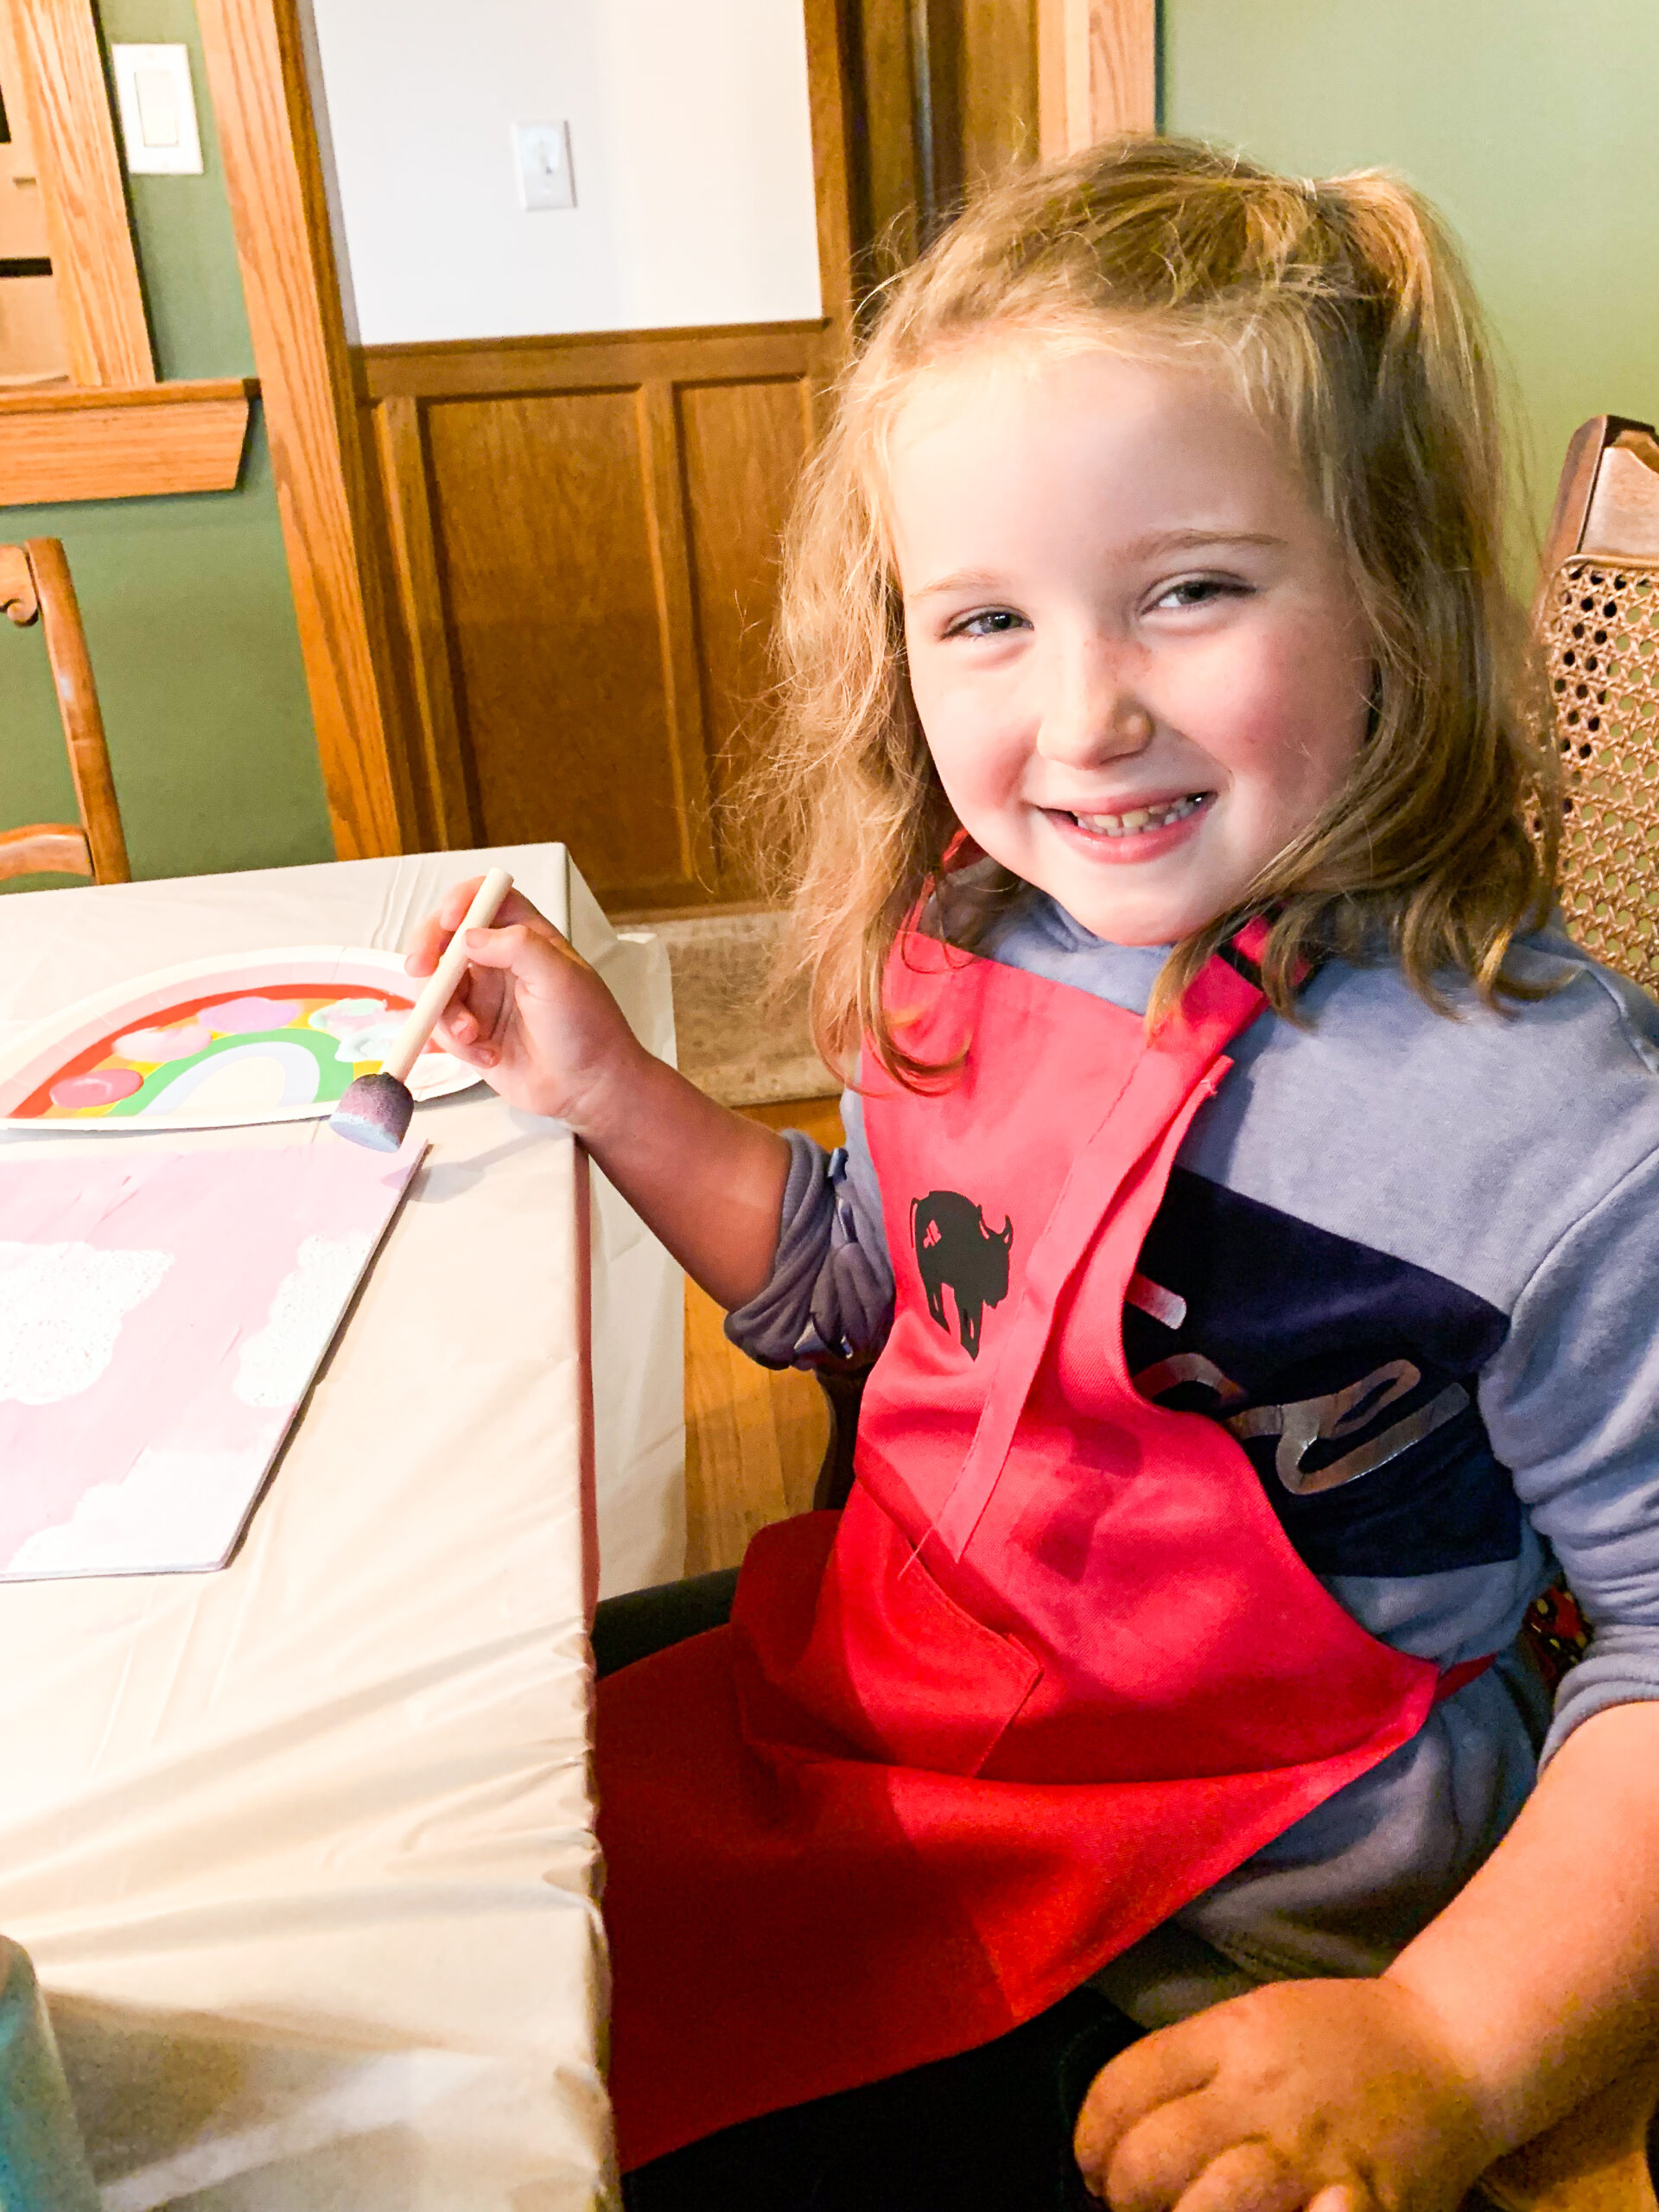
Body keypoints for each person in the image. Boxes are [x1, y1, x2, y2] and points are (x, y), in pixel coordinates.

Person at [405, 137, 1659, 2212]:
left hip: (1228, 1932)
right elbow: (883, 1295)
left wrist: (1448, 2032)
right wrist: (614, 1085)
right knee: (428, 1881)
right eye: (985, 617)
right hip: (890, 1702)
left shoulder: (1552, 1127)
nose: (1084, 711)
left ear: (1386, 587)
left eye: (1191, 587)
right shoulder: (974, 933)